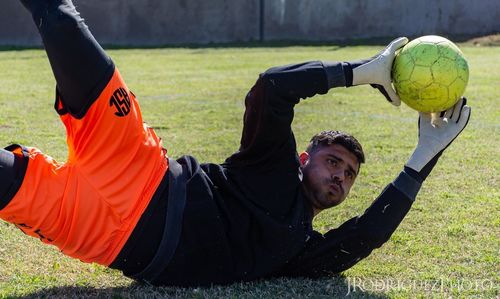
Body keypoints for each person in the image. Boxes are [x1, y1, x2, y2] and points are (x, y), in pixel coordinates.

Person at [0, 0, 471, 287]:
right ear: (303, 160)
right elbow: (271, 89)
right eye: (333, 162)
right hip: (139, 170)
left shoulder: (302, 250)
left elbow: (364, 237)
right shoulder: (270, 165)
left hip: (104, 237)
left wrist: (422, 157)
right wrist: (361, 73)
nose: (340, 176)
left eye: (348, 174)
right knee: (62, 22)